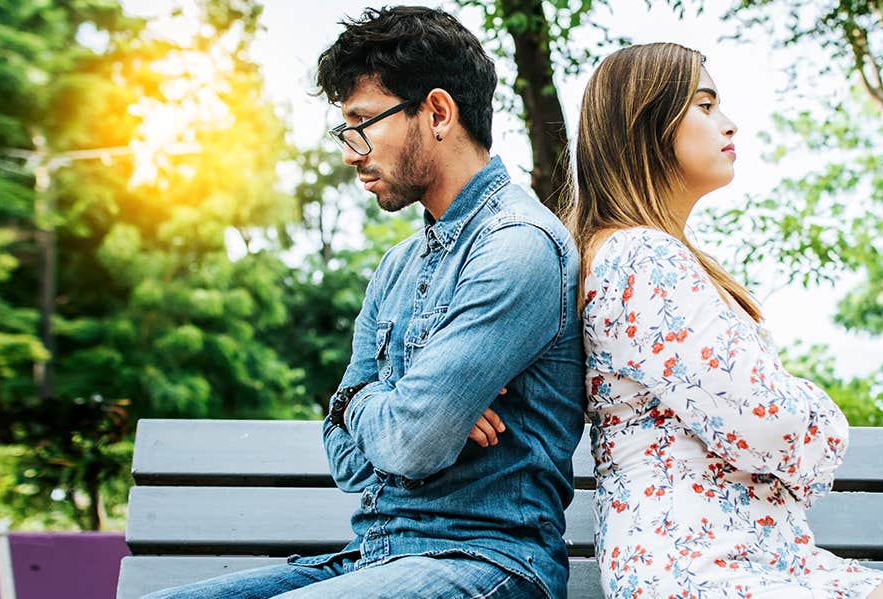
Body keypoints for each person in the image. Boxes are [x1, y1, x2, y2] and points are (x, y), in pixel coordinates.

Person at [144, 7, 584, 598]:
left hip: (488, 564)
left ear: (437, 113)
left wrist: (390, 406)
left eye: (362, 123)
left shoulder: (517, 249)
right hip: (371, 559)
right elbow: (347, 461)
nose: (351, 152)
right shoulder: (397, 268)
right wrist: (390, 399)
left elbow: (412, 443)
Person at [567, 42, 883, 599]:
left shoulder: (638, 255)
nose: (729, 123)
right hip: (706, 569)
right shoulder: (642, 258)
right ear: (648, 122)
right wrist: (821, 419)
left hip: (756, 559)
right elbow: (768, 419)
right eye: (704, 105)